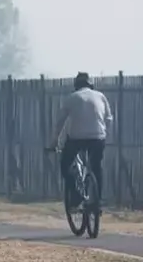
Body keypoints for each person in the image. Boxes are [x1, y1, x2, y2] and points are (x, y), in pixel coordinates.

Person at [48, 72, 114, 209]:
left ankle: (77, 193)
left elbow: (60, 122)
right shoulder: (101, 96)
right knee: (96, 167)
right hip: (98, 138)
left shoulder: (72, 98)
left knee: (65, 164)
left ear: (76, 86)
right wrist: (104, 134)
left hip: (76, 139)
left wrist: (54, 142)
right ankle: (97, 201)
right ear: (91, 85)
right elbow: (109, 119)